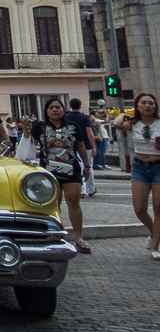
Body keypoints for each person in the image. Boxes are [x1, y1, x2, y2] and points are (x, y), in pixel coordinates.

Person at [32, 96, 92, 254]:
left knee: (74, 201)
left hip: (71, 168)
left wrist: (87, 165)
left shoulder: (73, 126)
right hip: (49, 171)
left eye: (57, 107)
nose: (54, 110)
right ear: (46, 111)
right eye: (51, 107)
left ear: (63, 109)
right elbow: (29, 143)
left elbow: (80, 145)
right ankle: (57, 234)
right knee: (53, 204)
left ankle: (79, 237)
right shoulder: (39, 127)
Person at [112, 92, 160, 259]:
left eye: (151, 103)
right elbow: (117, 124)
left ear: (155, 106)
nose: (148, 106)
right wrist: (125, 113)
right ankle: (155, 232)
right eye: (144, 103)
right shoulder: (134, 123)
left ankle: (155, 248)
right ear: (138, 106)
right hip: (140, 167)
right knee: (139, 209)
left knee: (158, 208)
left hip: (158, 166)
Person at [68, 97, 98, 197]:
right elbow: (89, 131)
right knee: (88, 166)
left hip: (71, 144)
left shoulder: (66, 116)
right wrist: (93, 146)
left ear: (70, 106)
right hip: (85, 144)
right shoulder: (84, 117)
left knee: (77, 166)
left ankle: (81, 189)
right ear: (80, 106)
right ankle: (90, 189)